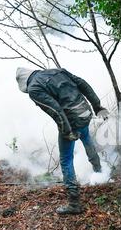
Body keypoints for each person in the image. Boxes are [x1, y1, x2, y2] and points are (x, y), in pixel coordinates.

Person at [16, 67, 109, 215]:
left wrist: (67, 131)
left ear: (24, 84)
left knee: (66, 159)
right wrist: (97, 106)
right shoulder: (57, 71)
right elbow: (82, 84)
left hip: (71, 120)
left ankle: (74, 203)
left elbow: (55, 110)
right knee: (86, 139)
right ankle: (101, 174)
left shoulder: (34, 88)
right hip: (85, 112)